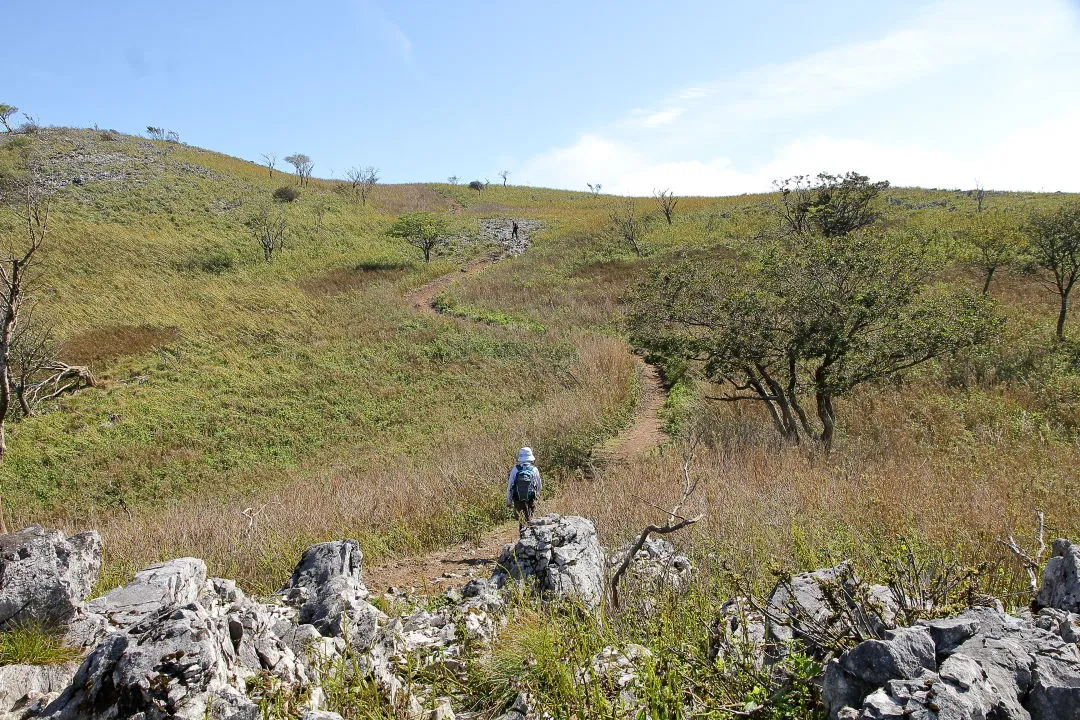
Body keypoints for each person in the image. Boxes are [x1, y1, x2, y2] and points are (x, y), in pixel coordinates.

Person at [506, 447, 541, 530]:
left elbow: (510, 486)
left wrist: (509, 501)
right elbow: (539, 486)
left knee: (521, 520)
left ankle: (522, 536)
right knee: (529, 518)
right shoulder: (534, 470)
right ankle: (529, 536)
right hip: (531, 498)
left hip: (518, 499)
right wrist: (536, 496)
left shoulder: (515, 469)